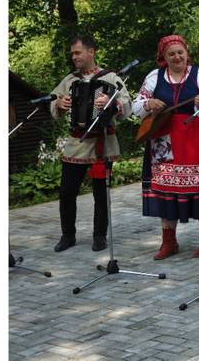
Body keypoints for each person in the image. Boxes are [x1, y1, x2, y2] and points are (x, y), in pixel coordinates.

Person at [133, 34, 199, 260]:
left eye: (180, 52)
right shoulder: (154, 77)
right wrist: (149, 103)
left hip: (196, 137)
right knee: (165, 188)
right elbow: (136, 106)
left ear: (187, 53)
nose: (177, 57)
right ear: (164, 57)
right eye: (171, 54)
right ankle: (169, 241)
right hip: (164, 141)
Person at [50, 35, 132, 252]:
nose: (74, 57)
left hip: (102, 143)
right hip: (77, 143)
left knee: (100, 193)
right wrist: (59, 103)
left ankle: (99, 236)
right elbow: (52, 102)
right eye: (72, 53)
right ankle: (68, 235)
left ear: (91, 52)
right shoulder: (70, 80)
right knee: (67, 191)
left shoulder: (112, 78)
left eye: (77, 52)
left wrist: (111, 102)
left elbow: (127, 105)